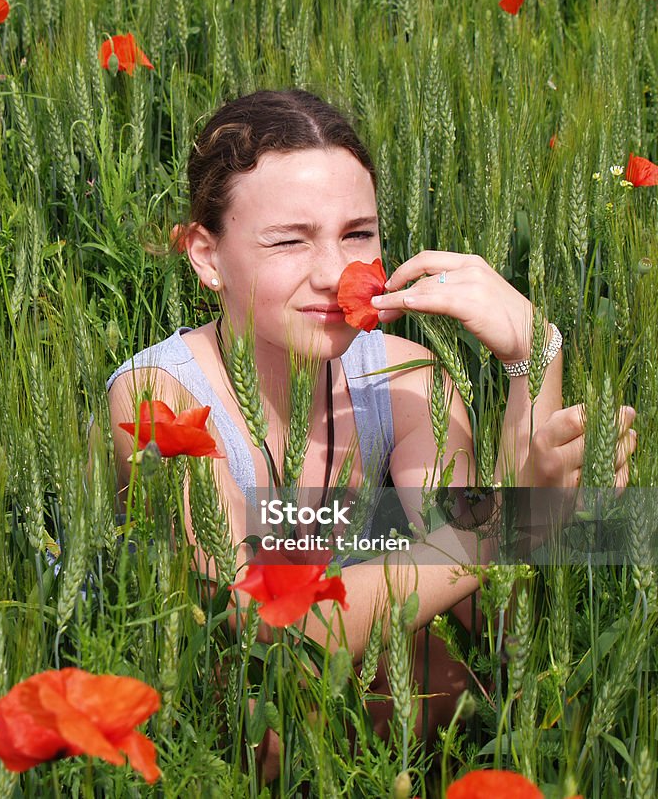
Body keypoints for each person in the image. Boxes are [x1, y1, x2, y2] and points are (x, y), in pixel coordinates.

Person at [105, 89, 637, 763]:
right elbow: (254, 639)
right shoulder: (157, 396)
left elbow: (495, 628)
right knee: (276, 718)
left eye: (358, 233)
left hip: (382, 734)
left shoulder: (412, 384)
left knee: (443, 671)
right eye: (290, 241)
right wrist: (515, 519)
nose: (335, 273)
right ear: (206, 256)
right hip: (221, 731)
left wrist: (534, 357)